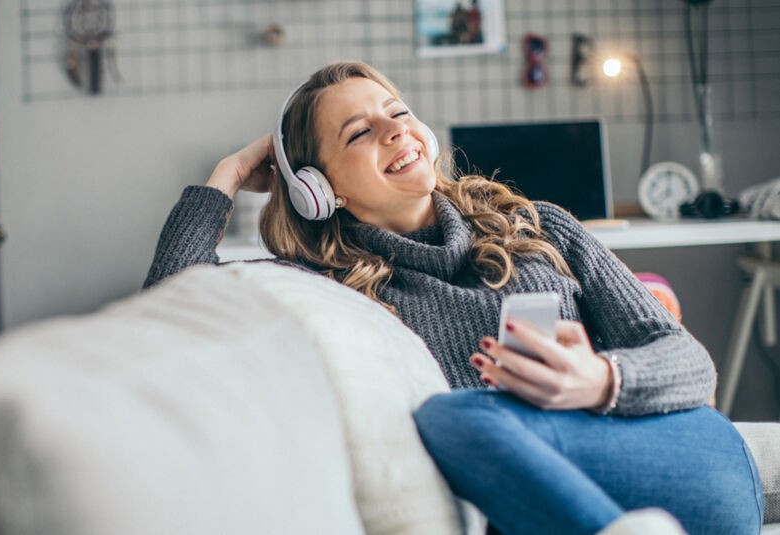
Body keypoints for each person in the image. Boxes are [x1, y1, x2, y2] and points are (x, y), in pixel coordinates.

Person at [144, 61, 763, 534]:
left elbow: (687, 361)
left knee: (456, 418)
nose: (397, 130)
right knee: (457, 421)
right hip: (531, 500)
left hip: (681, 455)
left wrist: (597, 379)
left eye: (398, 110)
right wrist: (222, 182)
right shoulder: (324, 287)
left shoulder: (542, 226)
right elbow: (169, 324)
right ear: (317, 189)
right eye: (361, 132)